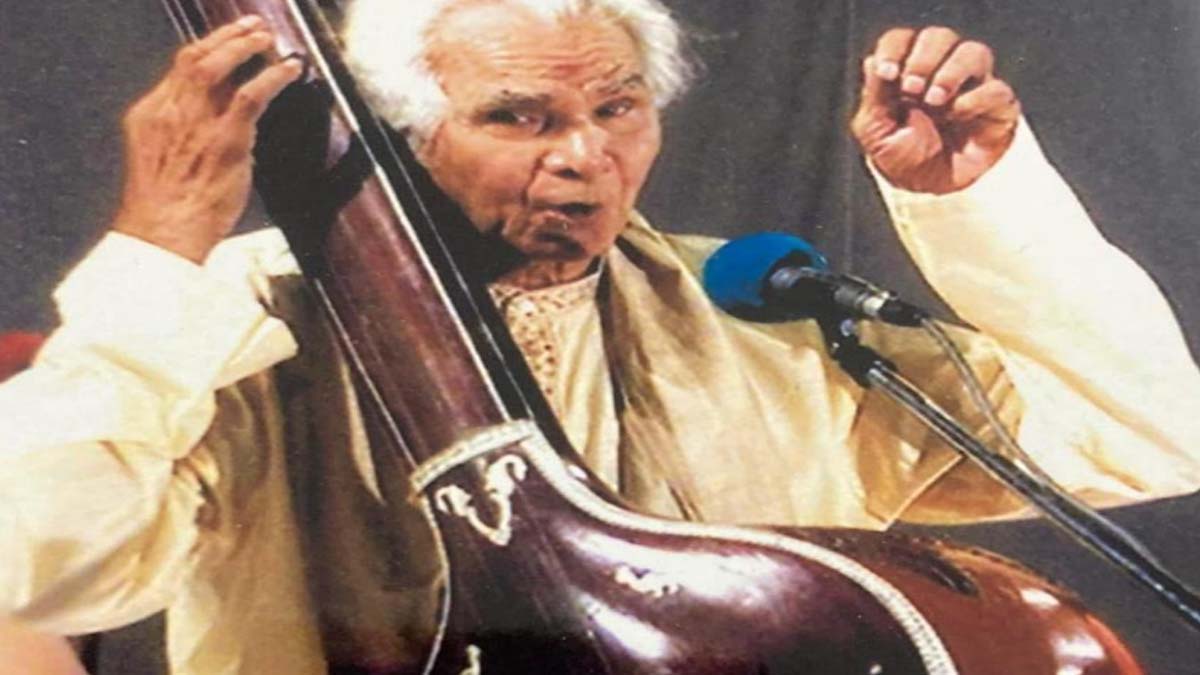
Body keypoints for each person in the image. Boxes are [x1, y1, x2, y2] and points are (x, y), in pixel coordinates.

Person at [2, 0, 1199, 673]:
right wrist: (158, 250)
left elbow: (1145, 437)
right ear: (408, 136)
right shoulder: (238, 317)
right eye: (520, 118)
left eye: (617, 107)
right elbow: (42, 563)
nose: (587, 157)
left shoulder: (757, 312)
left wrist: (974, 201)